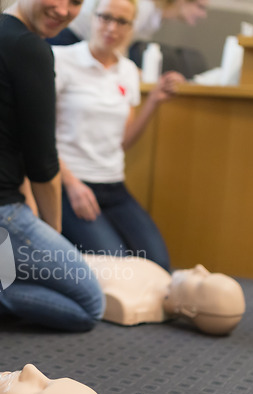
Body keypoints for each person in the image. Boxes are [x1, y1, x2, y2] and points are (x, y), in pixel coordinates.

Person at [0, 0, 105, 332]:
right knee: (91, 305)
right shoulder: (29, 47)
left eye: (76, 2)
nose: (64, 10)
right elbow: (42, 163)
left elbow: (11, 144)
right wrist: (54, 235)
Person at [53, 0, 185, 270]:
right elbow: (39, 134)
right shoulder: (60, 59)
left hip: (113, 185)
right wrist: (72, 184)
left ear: (131, 28)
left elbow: (123, 141)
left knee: (158, 264)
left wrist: (154, 101)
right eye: (105, 17)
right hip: (72, 184)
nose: (112, 27)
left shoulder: (128, 71)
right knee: (118, 267)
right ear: (92, 17)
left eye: (122, 21)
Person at [84, 255, 245, 334]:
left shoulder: (129, 301)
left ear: (190, 310)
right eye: (209, 273)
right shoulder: (161, 275)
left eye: (200, 282)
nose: (199, 268)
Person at [48, 0, 209, 45]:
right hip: (70, 39)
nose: (203, 15)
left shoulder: (156, 17)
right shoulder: (144, 7)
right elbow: (117, 42)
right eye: (200, 7)